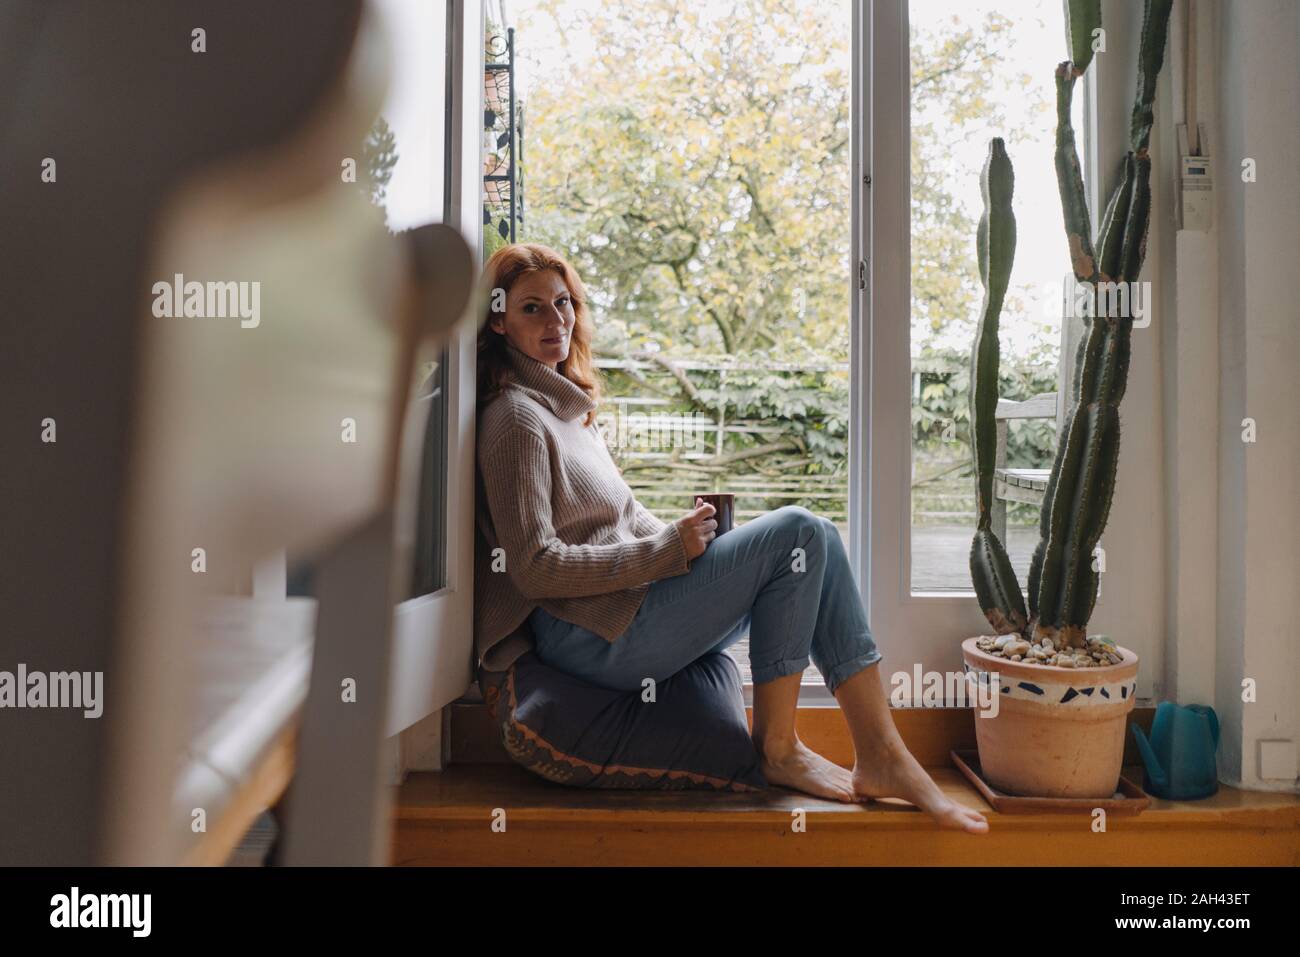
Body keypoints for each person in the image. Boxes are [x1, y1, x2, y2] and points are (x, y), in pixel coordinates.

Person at [474, 242, 987, 834]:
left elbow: (616, 521)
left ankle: (879, 755)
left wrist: (695, 541)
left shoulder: (565, 411)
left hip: (621, 611)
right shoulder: (515, 419)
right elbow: (535, 568)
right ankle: (794, 750)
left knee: (809, 541)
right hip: (586, 633)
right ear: (497, 319)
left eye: (564, 303)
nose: (556, 320)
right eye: (532, 308)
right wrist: (668, 551)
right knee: (800, 529)